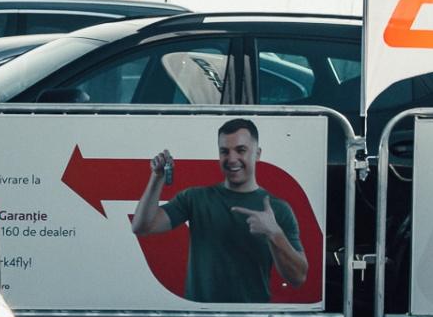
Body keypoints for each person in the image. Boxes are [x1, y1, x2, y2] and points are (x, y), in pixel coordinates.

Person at [130, 118, 307, 304]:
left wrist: (275, 233)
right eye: (225, 151)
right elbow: (141, 226)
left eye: (241, 150)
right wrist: (157, 177)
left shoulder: (278, 208)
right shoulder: (195, 198)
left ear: (257, 154)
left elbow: (298, 278)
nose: (232, 159)